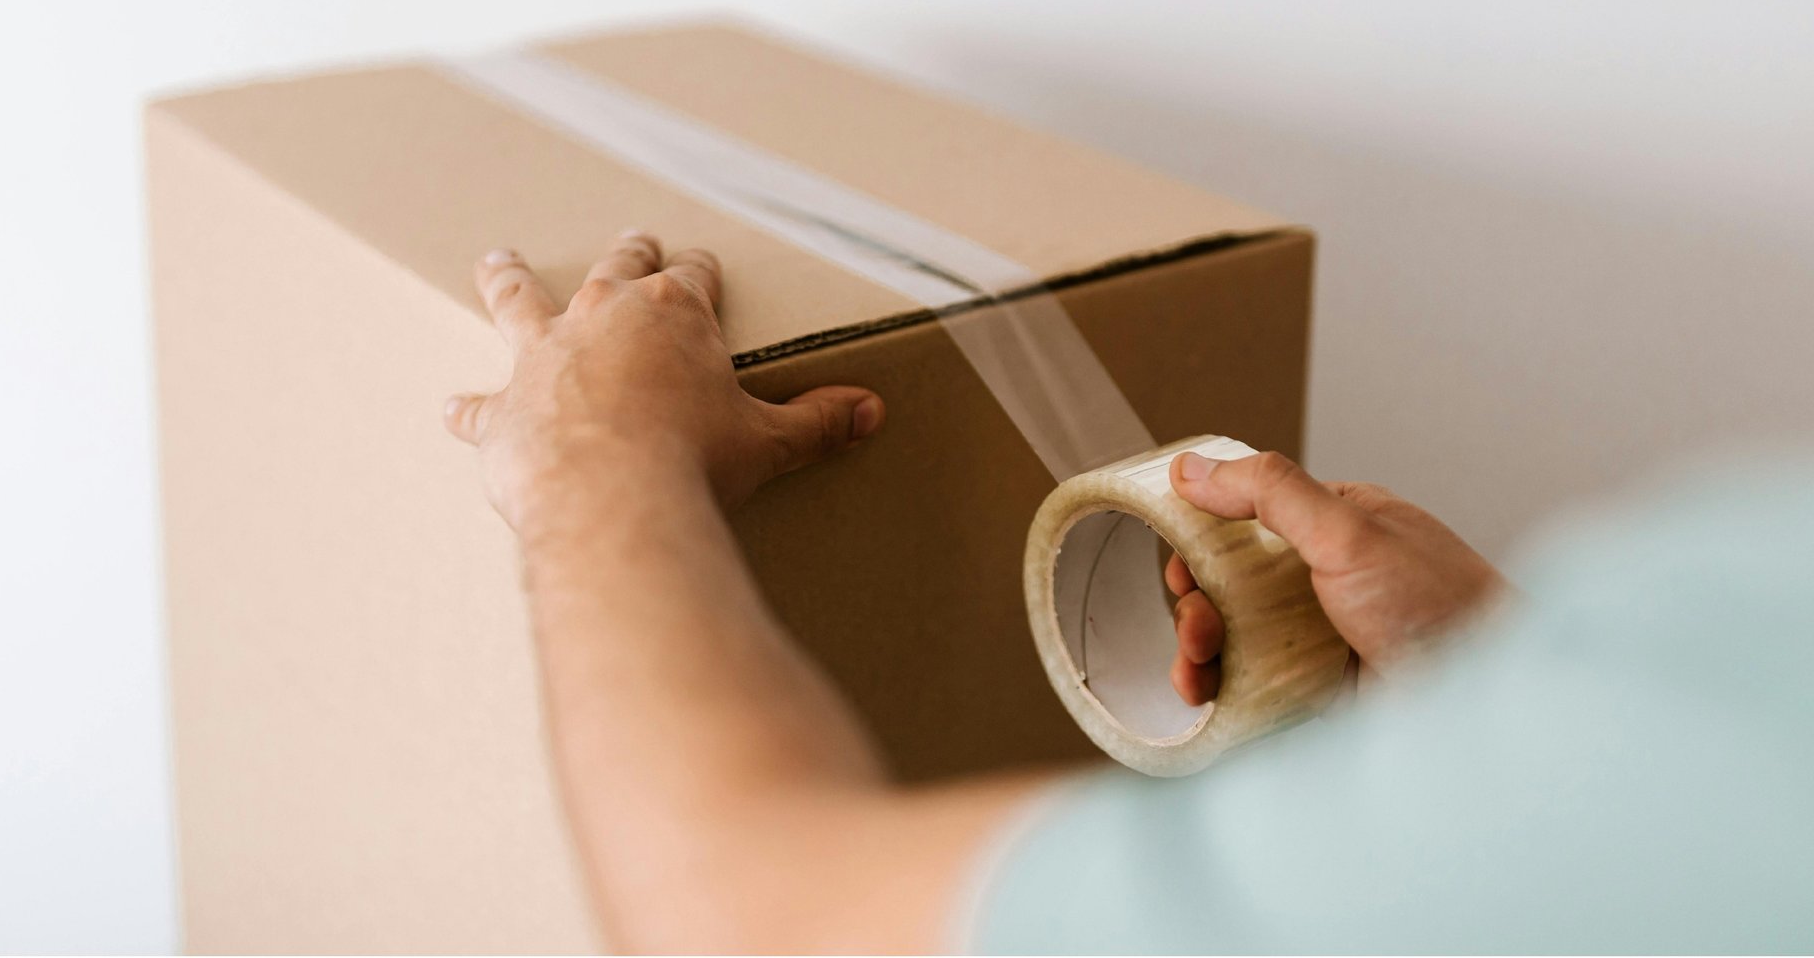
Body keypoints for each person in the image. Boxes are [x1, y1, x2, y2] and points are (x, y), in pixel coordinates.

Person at [443, 232, 1814, 954]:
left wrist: (594, 463)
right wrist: (1497, 685)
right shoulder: (1721, 644)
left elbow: (760, 927)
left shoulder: (1737, 590)